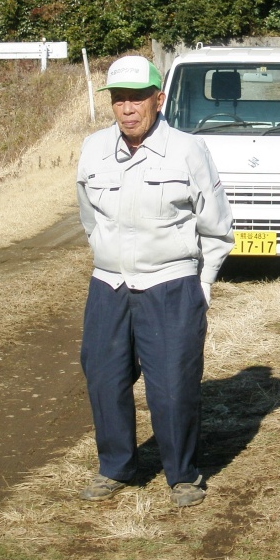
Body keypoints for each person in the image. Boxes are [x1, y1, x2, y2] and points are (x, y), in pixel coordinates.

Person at [76, 54, 234, 507]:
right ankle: (117, 467)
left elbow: (217, 228)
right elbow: (89, 218)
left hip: (170, 285)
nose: (128, 109)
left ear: (158, 99)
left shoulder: (188, 150)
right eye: (119, 100)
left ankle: (182, 474)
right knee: (104, 379)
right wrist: (110, 258)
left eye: (137, 99)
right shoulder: (93, 150)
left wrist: (200, 286)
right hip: (108, 286)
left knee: (172, 385)